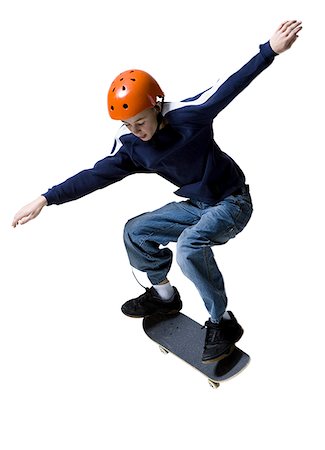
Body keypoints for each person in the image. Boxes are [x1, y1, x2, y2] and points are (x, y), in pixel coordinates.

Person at [12, 20, 302, 363]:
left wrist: (269, 50)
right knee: (136, 231)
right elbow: (93, 175)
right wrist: (47, 198)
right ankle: (164, 296)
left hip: (232, 202)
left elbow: (230, 85)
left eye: (141, 121)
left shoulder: (189, 115)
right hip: (197, 205)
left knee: (190, 247)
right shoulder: (131, 147)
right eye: (128, 125)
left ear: (156, 106)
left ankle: (222, 322)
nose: (137, 131)